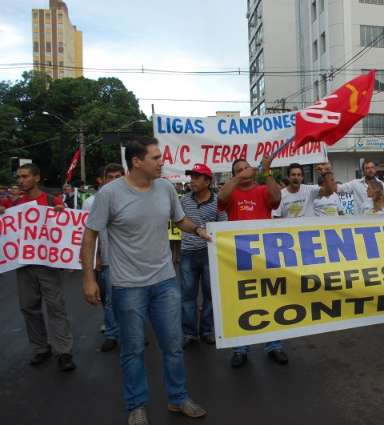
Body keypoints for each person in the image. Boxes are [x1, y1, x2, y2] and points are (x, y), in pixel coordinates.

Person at [80, 137, 208, 424]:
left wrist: (199, 230)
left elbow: (179, 220)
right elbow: (89, 237)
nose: (162, 162)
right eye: (156, 158)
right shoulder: (109, 194)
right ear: (137, 161)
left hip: (165, 282)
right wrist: (89, 278)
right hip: (127, 286)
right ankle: (137, 406)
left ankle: (178, 398)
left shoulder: (165, 188)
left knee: (173, 346)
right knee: (133, 349)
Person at [1, 164, 76, 371]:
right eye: (19, 177)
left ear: (37, 177)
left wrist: (61, 212)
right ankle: (40, 348)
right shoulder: (15, 204)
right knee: (28, 307)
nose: (20, 181)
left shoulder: (51, 201)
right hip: (24, 265)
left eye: (25, 176)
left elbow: (65, 224)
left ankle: (64, 351)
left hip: (47, 265)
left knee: (56, 307)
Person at [217, 156, 289, 368]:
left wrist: (267, 172)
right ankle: (240, 348)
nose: (243, 171)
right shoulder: (231, 192)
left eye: (246, 168)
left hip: (265, 254)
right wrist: (238, 178)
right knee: (241, 302)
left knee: (270, 299)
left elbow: (276, 200)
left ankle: (274, 345)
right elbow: (221, 198)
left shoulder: (262, 190)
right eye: (238, 170)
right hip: (238, 257)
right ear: (234, 175)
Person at [180, 163, 226, 348]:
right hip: (188, 252)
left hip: (210, 254)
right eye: (191, 177)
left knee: (210, 294)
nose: (192, 181)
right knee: (187, 295)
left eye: (197, 177)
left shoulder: (219, 202)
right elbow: (178, 222)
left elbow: (223, 227)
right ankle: (189, 333)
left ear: (208, 181)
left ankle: (206, 331)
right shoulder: (184, 200)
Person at [83, 163, 125, 352]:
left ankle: (133, 333)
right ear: (103, 179)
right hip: (107, 259)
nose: (114, 181)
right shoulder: (92, 202)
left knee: (134, 299)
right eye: (111, 177)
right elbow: (88, 234)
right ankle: (112, 334)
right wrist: (96, 258)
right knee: (109, 300)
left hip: (130, 261)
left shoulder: (133, 198)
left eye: (118, 177)